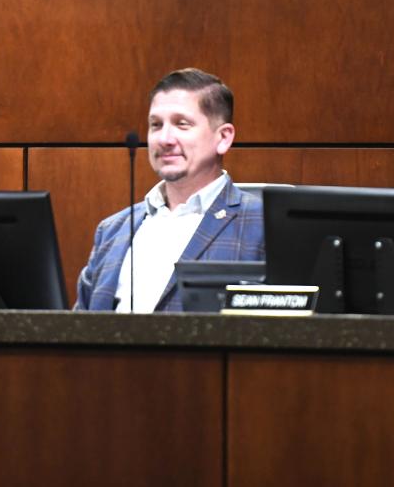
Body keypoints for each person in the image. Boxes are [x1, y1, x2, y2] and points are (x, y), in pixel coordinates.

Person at [75, 68, 264, 312]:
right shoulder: (112, 230)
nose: (164, 139)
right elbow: (78, 329)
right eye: (156, 125)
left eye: (181, 124)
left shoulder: (262, 225)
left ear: (223, 138)